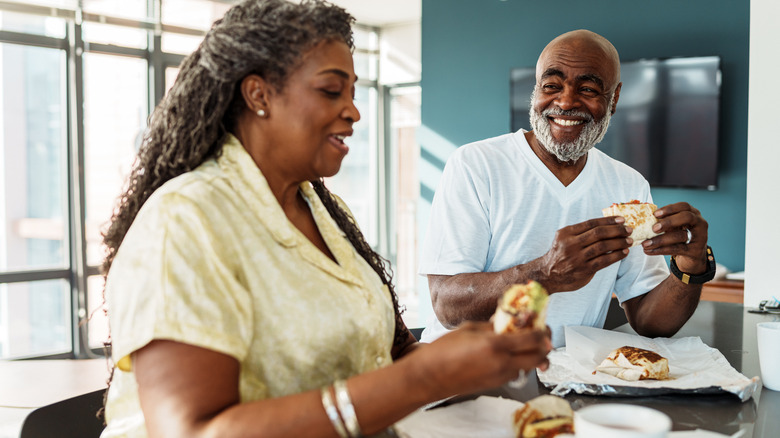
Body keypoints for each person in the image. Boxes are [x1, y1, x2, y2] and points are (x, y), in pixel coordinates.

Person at [98, 1, 551, 437]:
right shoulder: (184, 220)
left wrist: (476, 356)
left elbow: (381, 363)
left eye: (353, 93)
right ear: (259, 95)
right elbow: (192, 433)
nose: (353, 111)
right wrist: (423, 378)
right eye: (332, 90)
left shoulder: (326, 214)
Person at [419, 29, 714, 348]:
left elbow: (650, 320)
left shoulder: (628, 184)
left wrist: (690, 267)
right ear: (535, 93)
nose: (566, 101)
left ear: (613, 99)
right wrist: (544, 273)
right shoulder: (476, 165)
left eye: (587, 88)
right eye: (551, 86)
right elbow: (447, 306)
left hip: (570, 380)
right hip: (465, 378)